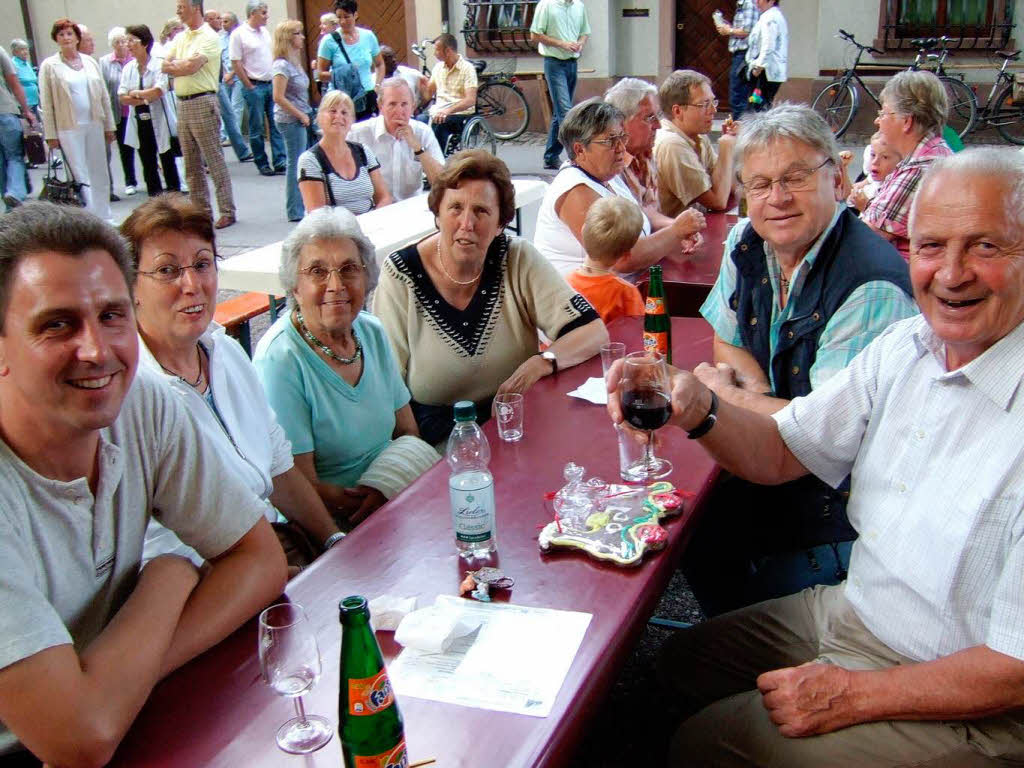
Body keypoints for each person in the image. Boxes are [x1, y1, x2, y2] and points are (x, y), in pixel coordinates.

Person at [608, 147, 1024, 768]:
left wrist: (854, 694)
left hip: (978, 701)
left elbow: (1014, 668)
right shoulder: (906, 347)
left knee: (703, 743)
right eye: (932, 246)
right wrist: (698, 409)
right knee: (673, 669)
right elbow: (782, 450)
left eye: (987, 247)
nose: (952, 273)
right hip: (859, 610)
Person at [0, 202, 288, 766]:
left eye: (112, 315)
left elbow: (259, 561)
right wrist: (170, 571)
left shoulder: (140, 405)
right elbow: (76, 739)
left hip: (124, 712)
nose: (96, 350)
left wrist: (117, 683)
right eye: (57, 323)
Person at [685, 104, 919, 617]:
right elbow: (725, 341)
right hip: (774, 464)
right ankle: (731, 639)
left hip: (841, 506)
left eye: (795, 177)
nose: (778, 198)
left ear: (836, 178)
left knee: (706, 535)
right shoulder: (748, 241)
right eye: (761, 183)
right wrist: (755, 395)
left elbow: (819, 436)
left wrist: (722, 397)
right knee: (686, 528)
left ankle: (767, 650)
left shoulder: (868, 285)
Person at [120, 194, 344, 569]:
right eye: (167, 270)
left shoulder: (224, 351)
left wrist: (333, 540)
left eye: (203, 264)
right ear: (130, 286)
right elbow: (156, 549)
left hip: (273, 545)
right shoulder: (131, 397)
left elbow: (280, 469)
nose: (191, 284)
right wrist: (275, 576)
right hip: (207, 575)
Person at [374, 150, 609, 444]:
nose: (467, 223)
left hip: (520, 424)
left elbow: (593, 331)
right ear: (437, 214)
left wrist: (543, 361)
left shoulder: (516, 257)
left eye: (481, 211)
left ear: (501, 224)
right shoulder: (402, 275)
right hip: (436, 440)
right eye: (455, 208)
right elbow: (386, 386)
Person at [254, 207, 439, 527]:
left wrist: (392, 487)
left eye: (349, 268)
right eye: (317, 271)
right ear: (295, 286)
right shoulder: (280, 360)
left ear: (366, 278)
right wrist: (373, 500)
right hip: (331, 520)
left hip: (391, 492)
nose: (336, 284)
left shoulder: (372, 332)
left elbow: (407, 430)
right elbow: (301, 486)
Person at [534, 99, 706, 276]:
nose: (621, 148)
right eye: (610, 141)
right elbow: (622, 258)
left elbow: (640, 213)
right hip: (585, 298)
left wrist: (677, 228)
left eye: (622, 137)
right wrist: (675, 231)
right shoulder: (576, 190)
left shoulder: (607, 174)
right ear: (579, 150)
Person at [862, 70, 952, 260]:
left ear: (906, 121)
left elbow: (866, 236)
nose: (877, 120)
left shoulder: (920, 168)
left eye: (884, 113)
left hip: (904, 277)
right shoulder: (931, 152)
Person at [163, 0, 237, 229]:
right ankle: (200, 212)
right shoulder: (180, 37)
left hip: (202, 100)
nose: (178, 11)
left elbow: (191, 67)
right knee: (191, 164)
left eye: (182, 6)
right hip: (182, 102)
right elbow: (165, 64)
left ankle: (226, 210)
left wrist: (179, 66)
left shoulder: (208, 37)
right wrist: (179, 65)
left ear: (195, 8)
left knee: (213, 159)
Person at [38, 18, 116, 221]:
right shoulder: (50, 65)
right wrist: (51, 134)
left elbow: (104, 96)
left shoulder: (90, 61)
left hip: (94, 122)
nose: (66, 38)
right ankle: (90, 217)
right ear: (56, 39)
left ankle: (105, 215)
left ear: (77, 38)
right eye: (61, 34)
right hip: (68, 127)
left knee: (99, 169)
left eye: (69, 34)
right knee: (80, 173)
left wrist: (109, 126)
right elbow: (46, 103)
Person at [654, 70, 739, 215]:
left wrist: (730, 147)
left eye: (713, 102)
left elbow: (730, 186)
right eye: (705, 104)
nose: (713, 110)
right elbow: (718, 202)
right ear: (678, 111)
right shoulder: (672, 144)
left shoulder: (697, 136)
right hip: (676, 232)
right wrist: (725, 146)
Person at [350, 76, 444, 202]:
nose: (399, 111)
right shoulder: (359, 133)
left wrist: (418, 148)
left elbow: (442, 182)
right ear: (380, 106)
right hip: (374, 208)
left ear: (413, 106)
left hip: (409, 206)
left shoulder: (422, 132)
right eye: (392, 104)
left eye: (404, 104)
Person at [298, 89, 392, 215]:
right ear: (319, 117)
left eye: (344, 112)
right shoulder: (310, 160)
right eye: (332, 111)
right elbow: (317, 215)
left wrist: (374, 221)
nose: (339, 117)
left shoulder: (363, 152)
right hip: (333, 231)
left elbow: (384, 197)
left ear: (352, 120)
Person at [119, 25, 182, 198]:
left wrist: (137, 95)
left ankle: (175, 199)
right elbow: (122, 97)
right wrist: (143, 97)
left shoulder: (158, 64)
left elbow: (158, 92)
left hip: (160, 118)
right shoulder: (128, 68)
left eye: (132, 40)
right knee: (147, 162)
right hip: (139, 120)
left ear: (145, 43)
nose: (128, 45)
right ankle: (155, 201)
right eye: (126, 41)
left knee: (167, 159)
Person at [530, 0, 590, 169]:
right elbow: (535, 35)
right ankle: (576, 156)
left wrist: (580, 43)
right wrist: (562, 43)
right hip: (554, 62)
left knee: (560, 113)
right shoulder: (547, 5)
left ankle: (550, 156)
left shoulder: (578, 6)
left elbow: (585, 32)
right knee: (565, 111)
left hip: (572, 62)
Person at [567, 196, 646, 324]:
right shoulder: (625, 293)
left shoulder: (565, 284)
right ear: (626, 255)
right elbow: (638, 332)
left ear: (582, 231)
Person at [230, 1, 286, 177]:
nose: (266, 16)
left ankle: (280, 161)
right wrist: (248, 85)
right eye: (263, 12)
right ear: (253, 13)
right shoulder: (239, 34)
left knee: (276, 123)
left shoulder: (265, 32)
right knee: (257, 126)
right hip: (254, 85)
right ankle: (262, 162)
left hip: (270, 83)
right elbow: (236, 62)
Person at [271, 20, 313, 222]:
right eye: (298, 33)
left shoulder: (293, 60)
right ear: (288, 38)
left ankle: (301, 204)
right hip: (290, 120)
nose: (302, 37)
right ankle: (294, 209)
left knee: (301, 161)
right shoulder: (281, 65)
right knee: (295, 163)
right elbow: (278, 96)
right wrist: (300, 115)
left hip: (300, 116)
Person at [603, 77, 662, 219]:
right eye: (649, 118)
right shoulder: (608, 165)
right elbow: (636, 222)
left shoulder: (644, 154)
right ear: (621, 123)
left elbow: (652, 214)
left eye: (658, 116)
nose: (658, 125)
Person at [317, 0, 384, 120]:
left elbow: (379, 64)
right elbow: (320, 74)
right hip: (342, 97)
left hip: (366, 94)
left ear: (355, 15)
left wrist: (377, 85)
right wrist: (342, 75)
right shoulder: (328, 41)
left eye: (347, 17)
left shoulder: (368, 36)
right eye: (339, 17)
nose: (343, 21)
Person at [418, 33, 477, 155]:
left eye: (437, 50)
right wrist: (415, 106)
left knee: (440, 123)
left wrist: (448, 111)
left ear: (448, 51)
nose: (434, 54)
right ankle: (421, 158)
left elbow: (470, 100)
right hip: (438, 111)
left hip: (459, 113)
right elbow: (429, 93)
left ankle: (437, 158)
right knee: (419, 121)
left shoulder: (467, 69)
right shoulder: (438, 68)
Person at [100, 27, 139, 198]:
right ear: (112, 45)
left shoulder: (135, 59)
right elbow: (103, 89)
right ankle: (130, 181)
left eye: (124, 41)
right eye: (118, 42)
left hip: (136, 109)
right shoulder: (105, 62)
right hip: (119, 112)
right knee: (125, 149)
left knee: (144, 146)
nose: (122, 45)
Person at [0, 45, 36, 211]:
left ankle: (9, 204)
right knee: (14, 155)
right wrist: (27, 110)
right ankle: (14, 192)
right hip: (5, 111)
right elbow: (14, 82)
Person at [215, 10, 253, 163]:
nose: (223, 24)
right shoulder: (220, 38)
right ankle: (228, 137)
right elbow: (220, 59)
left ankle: (231, 138)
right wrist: (225, 75)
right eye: (221, 21)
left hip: (238, 77)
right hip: (224, 78)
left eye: (226, 21)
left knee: (234, 108)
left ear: (234, 22)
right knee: (227, 109)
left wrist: (231, 75)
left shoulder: (239, 35)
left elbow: (241, 59)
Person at [714, 0, 758, 120]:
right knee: (739, 96)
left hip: (744, 54)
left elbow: (748, 31)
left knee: (738, 96)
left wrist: (729, 30)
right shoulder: (743, 3)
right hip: (741, 54)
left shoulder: (749, 3)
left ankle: (741, 130)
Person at [745, 0, 787, 112]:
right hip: (769, 71)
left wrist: (759, 66)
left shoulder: (770, 18)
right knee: (760, 106)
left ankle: (756, 129)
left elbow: (768, 45)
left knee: (756, 107)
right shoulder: (770, 15)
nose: (757, 2)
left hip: (766, 73)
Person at [845, 131, 902, 212]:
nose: (875, 162)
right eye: (873, 155)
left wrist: (865, 206)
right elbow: (850, 191)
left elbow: (880, 221)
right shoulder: (873, 177)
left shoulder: (893, 191)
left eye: (885, 157)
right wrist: (843, 168)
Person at [9, 39, 39, 123]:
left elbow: (32, 77)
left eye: (26, 49)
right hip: (25, 103)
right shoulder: (13, 63)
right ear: (14, 52)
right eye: (22, 49)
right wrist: (34, 80)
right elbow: (17, 79)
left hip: (34, 100)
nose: (25, 52)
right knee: (30, 128)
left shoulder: (26, 63)